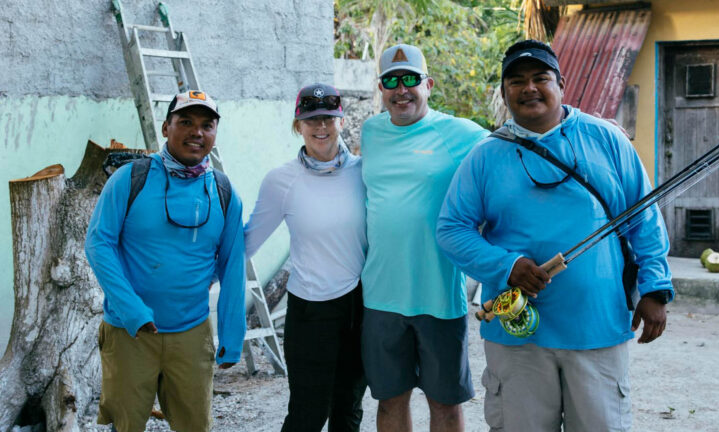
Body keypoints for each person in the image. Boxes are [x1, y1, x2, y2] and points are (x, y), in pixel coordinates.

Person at [436, 39, 674, 432]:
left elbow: (644, 219)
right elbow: (451, 228)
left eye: (540, 77)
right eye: (516, 81)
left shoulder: (607, 139)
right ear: (504, 93)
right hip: (516, 336)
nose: (529, 88)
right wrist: (507, 265)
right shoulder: (485, 155)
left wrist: (654, 288)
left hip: (597, 327)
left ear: (560, 83)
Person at [85, 90, 246, 432]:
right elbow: (99, 244)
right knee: (126, 425)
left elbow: (232, 264)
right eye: (185, 121)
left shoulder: (223, 191)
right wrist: (132, 310)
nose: (197, 132)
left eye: (207, 124)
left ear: (215, 133)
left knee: (194, 425)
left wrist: (233, 333)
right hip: (129, 332)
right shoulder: (130, 179)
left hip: (191, 330)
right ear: (165, 127)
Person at [360, 43, 489, 432]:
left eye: (410, 80)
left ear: (428, 84)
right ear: (381, 89)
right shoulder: (369, 132)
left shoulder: (461, 133)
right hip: (381, 295)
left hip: (438, 295)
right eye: (391, 81)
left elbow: (514, 148)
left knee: (446, 405)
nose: (401, 90)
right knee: (389, 400)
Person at [244, 83, 367, 432]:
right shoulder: (281, 181)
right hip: (310, 312)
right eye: (311, 119)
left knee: (348, 411)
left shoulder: (363, 173)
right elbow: (246, 242)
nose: (321, 126)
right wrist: (193, 278)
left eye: (328, 117)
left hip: (359, 310)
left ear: (341, 121)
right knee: (307, 415)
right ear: (298, 125)